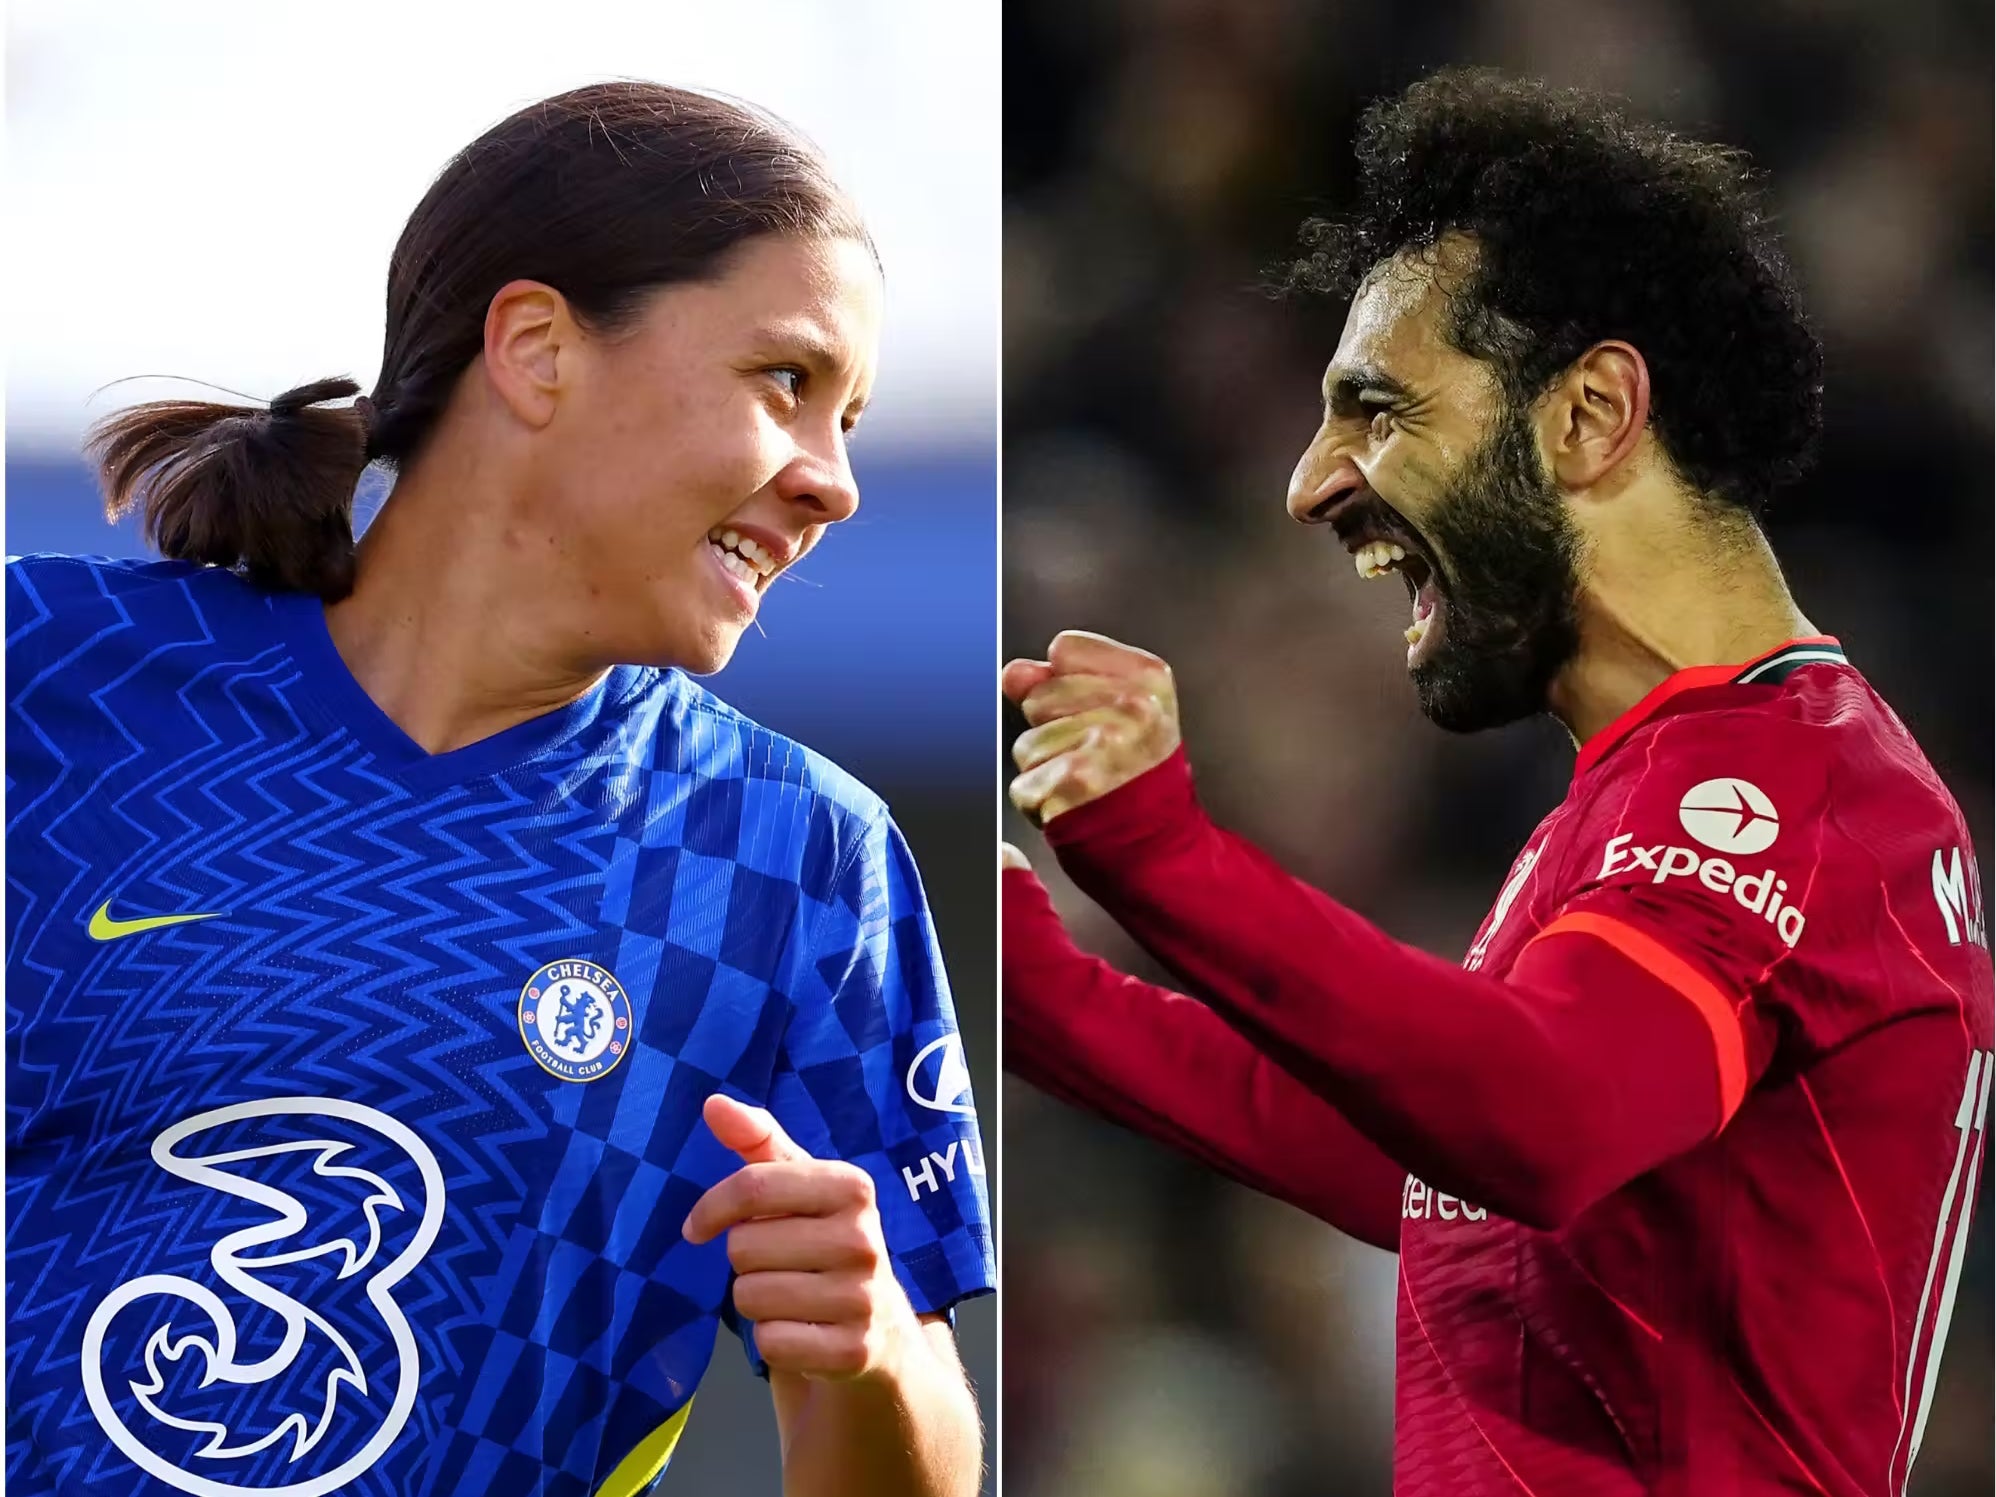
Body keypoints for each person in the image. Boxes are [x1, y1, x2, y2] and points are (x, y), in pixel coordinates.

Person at [1002, 69, 1990, 1496]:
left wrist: (1162, 848)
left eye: (1377, 410)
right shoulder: (1663, 786)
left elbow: (1543, 1122)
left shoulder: (1796, 790)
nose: (1310, 481)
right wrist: (1034, 980)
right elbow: (1442, 1179)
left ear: (1591, 412)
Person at [7, 82, 990, 1497]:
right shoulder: (49, 682)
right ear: (535, 349)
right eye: (788, 382)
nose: (833, 482)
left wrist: (877, 1349)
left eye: (851, 418)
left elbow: (925, 1476)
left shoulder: (792, 864)